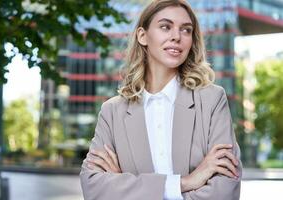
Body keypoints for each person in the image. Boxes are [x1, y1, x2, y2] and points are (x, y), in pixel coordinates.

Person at [80, 0, 242, 199]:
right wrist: (185, 182)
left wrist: (125, 185)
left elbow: (223, 190)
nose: (176, 37)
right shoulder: (112, 111)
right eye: (165, 27)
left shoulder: (212, 100)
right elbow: (93, 187)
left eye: (186, 30)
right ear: (142, 35)